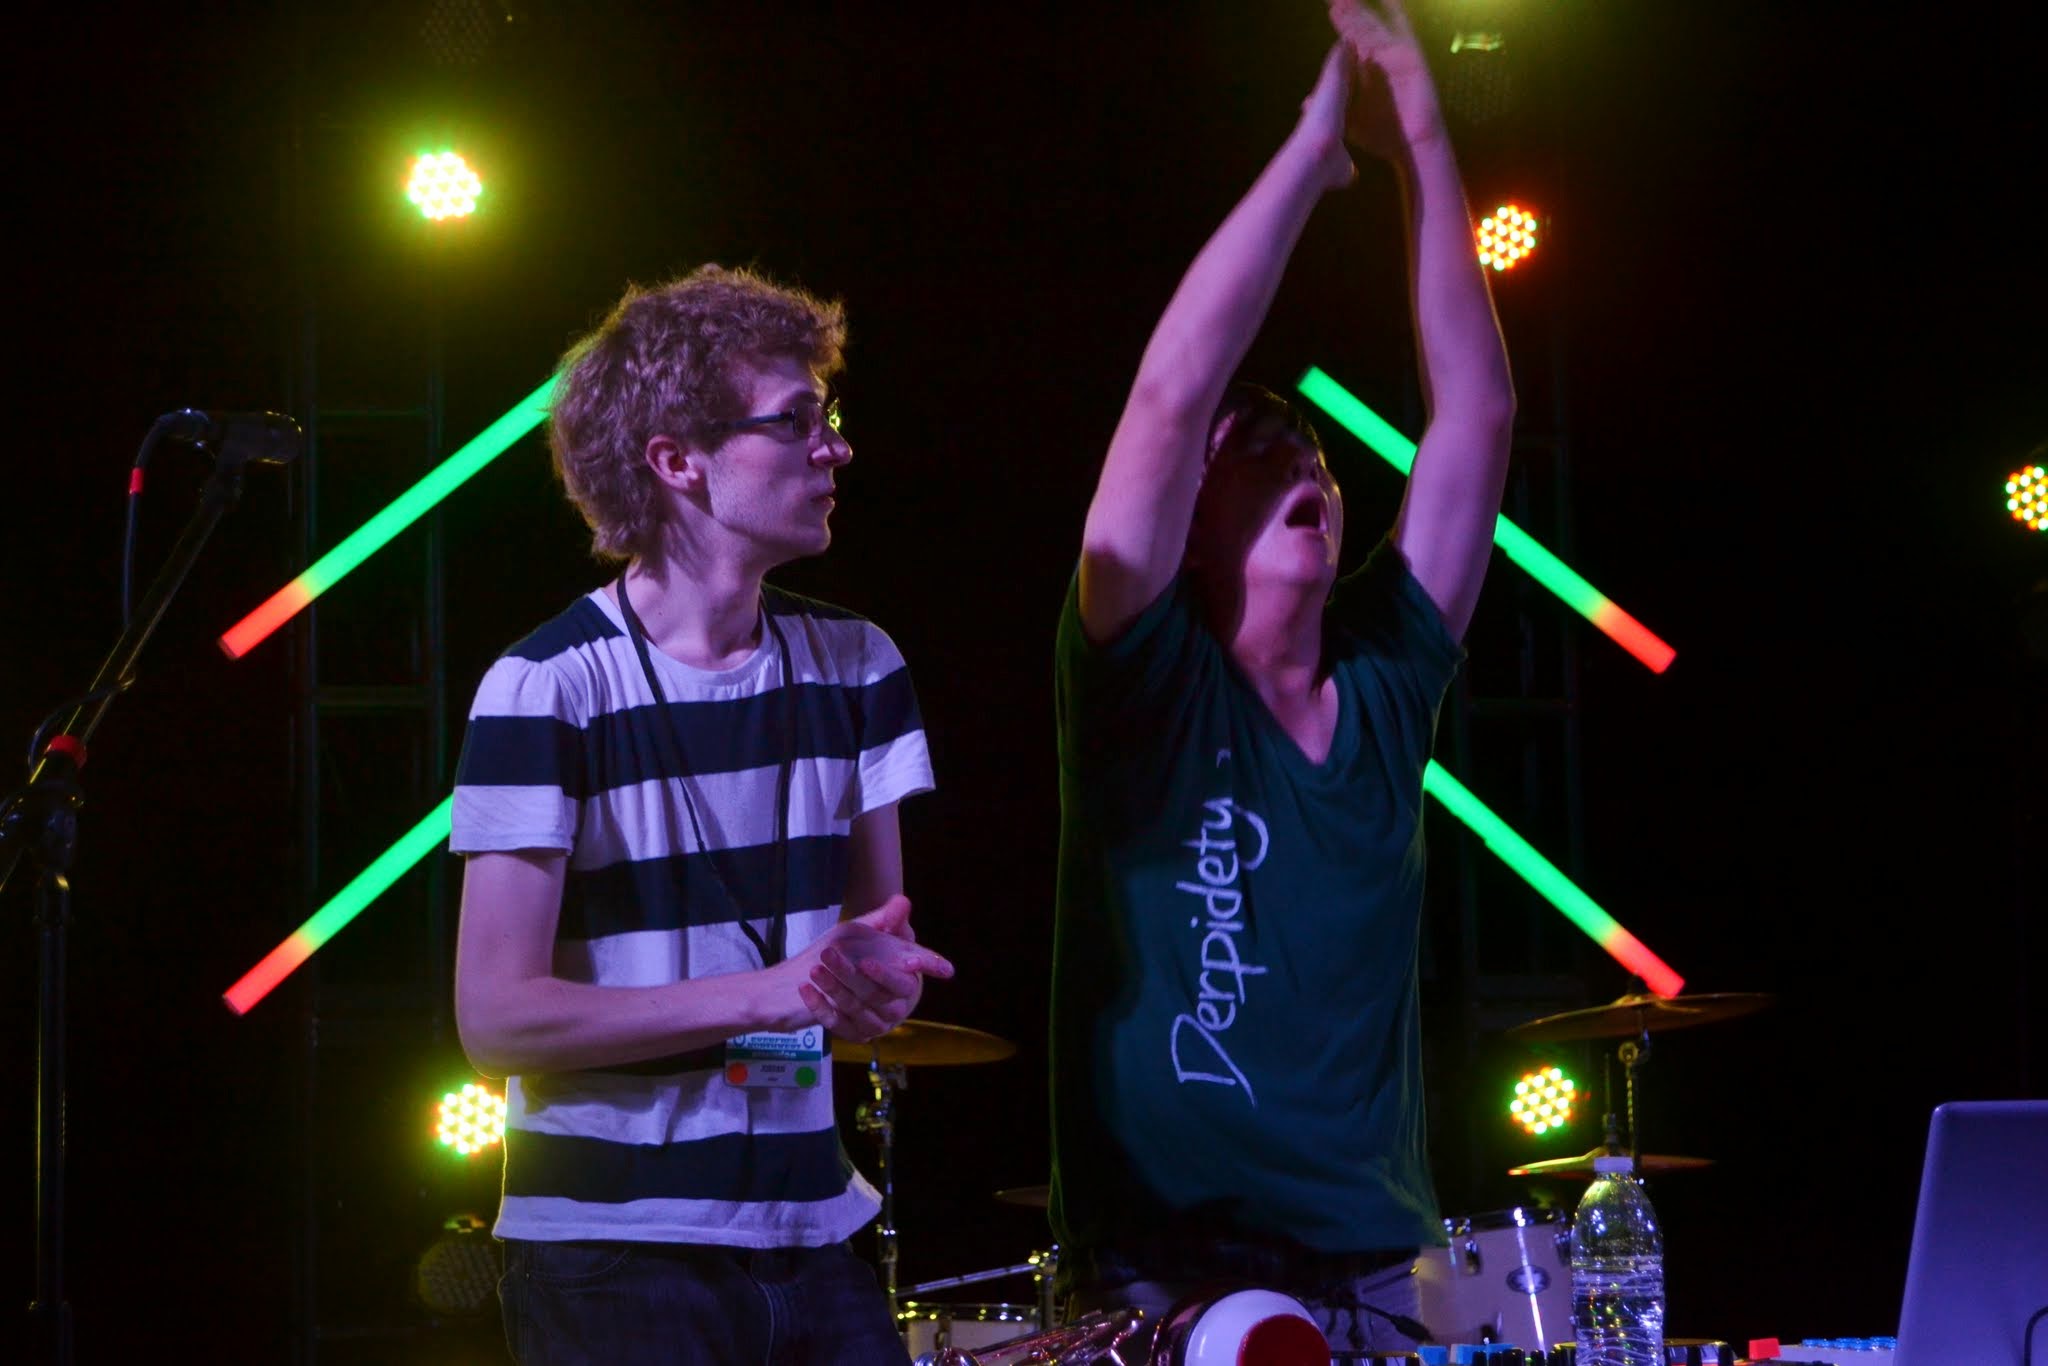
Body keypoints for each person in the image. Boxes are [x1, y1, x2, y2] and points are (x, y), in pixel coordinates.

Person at [1048, 0, 1515, 1353]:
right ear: (1188, 525)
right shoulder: (1140, 674)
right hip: (1163, 1268)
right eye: (1257, 452)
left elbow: (1476, 413)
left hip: (1371, 1260)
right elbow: (1168, 395)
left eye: (1313, 453)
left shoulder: (1386, 676)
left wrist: (1422, 135)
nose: (1305, 463)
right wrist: (1315, 155)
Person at [449, 264, 953, 1365]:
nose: (835, 449)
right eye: (796, 422)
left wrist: (880, 985)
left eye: (828, 418)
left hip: (815, 1231)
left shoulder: (858, 665)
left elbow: (861, 961)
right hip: (613, 1253)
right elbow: (495, 1020)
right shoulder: (546, 686)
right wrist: (774, 991)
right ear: (676, 460)